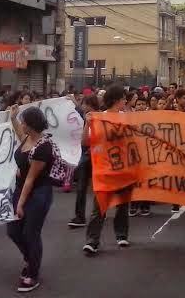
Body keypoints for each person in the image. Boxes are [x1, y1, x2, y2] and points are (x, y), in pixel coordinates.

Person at [7, 105, 55, 292]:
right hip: (21, 189)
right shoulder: (27, 138)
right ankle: (30, 257)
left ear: (31, 125)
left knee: (30, 233)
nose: (22, 125)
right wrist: (13, 117)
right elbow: (19, 134)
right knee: (13, 230)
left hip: (39, 193)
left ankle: (33, 274)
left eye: (23, 122)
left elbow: (30, 179)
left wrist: (20, 204)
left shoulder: (43, 147)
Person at [83, 85, 130, 256]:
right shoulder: (98, 118)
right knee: (100, 205)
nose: (126, 101)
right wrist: (87, 124)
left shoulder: (126, 118)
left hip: (123, 167)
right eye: (124, 98)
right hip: (104, 169)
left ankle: (121, 234)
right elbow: (85, 142)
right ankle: (92, 241)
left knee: (123, 204)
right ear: (117, 100)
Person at [68, 95, 100, 228]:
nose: (83, 107)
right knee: (81, 186)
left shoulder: (101, 118)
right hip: (86, 153)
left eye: (84, 104)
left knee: (99, 187)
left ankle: (99, 213)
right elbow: (84, 141)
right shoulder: (84, 117)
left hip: (98, 154)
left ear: (90, 105)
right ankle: (80, 216)